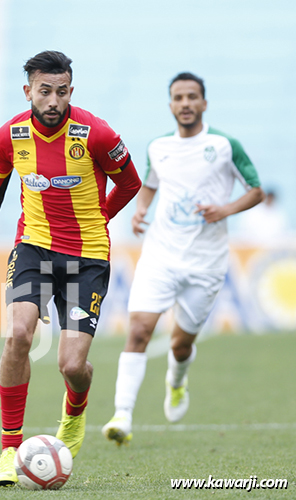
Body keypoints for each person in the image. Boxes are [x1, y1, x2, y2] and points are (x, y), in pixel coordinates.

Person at [0, 51, 141, 487]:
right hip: (34, 248)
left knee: (71, 365)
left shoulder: (97, 133)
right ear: (28, 91)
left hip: (87, 257)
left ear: (70, 91)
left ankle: (75, 413)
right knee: (18, 334)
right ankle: (9, 449)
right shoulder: (9, 137)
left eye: (61, 92)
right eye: (44, 91)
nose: (53, 101)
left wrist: (99, 218)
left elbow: (130, 183)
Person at [101, 73, 264, 446]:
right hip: (160, 254)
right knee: (139, 331)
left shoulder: (224, 145)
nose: (186, 103)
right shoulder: (159, 147)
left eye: (193, 97)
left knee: (180, 344)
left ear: (204, 103)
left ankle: (176, 382)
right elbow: (150, 183)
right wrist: (141, 210)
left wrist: (225, 209)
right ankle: (122, 415)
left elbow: (255, 190)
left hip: (206, 263)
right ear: (171, 104)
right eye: (179, 97)